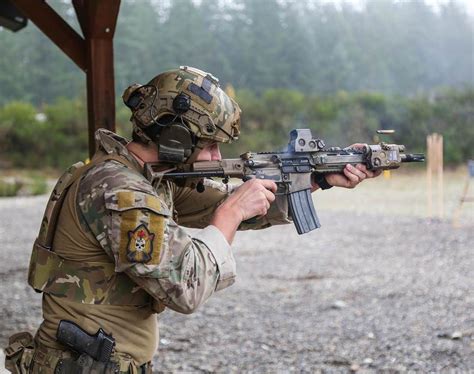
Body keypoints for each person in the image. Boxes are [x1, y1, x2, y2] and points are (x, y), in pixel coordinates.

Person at [4, 66, 380, 373]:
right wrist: (229, 215)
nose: (215, 155)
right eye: (209, 145)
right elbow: (187, 285)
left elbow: (233, 203)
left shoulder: (147, 180)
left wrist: (317, 178)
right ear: (176, 140)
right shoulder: (120, 192)